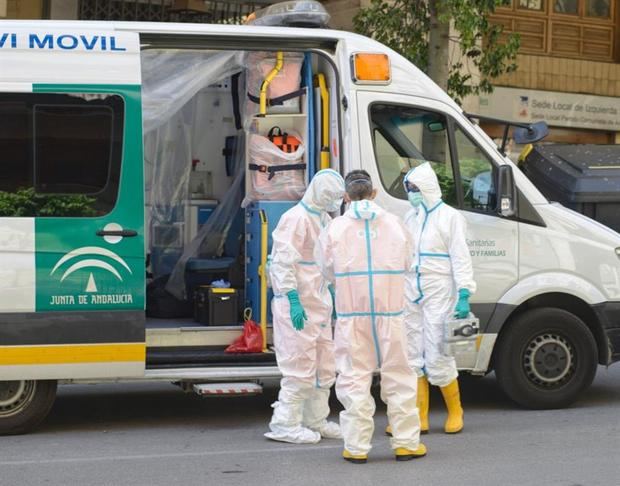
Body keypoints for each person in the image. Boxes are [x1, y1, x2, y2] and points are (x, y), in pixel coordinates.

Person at [316, 170, 426, 463]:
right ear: (374, 192)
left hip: (353, 316)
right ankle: (405, 443)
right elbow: (408, 261)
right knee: (400, 375)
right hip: (391, 313)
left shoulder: (335, 228)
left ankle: (356, 447)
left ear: (346, 196)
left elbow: (326, 269)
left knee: (354, 378)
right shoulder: (395, 224)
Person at [265, 168, 346, 444]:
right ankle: (285, 424)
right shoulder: (295, 219)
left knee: (324, 367)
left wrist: (335, 293)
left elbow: (327, 263)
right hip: (297, 306)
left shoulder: (323, 218)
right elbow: (282, 263)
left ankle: (315, 419)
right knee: (299, 366)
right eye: (331, 197)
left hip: (319, 306)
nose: (334, 203)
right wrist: (293, 299)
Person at [402, 162, 476, 434]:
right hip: (411, 289)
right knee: (412, 354)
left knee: (437, 353)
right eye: (409, 189)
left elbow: (461, 257)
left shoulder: (450, 217)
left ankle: (455, 411)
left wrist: (464, 292)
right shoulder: (411, 217)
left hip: (439, 290)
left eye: (414, 188)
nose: (411, 193)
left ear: (426, 188)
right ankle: (419, 415)